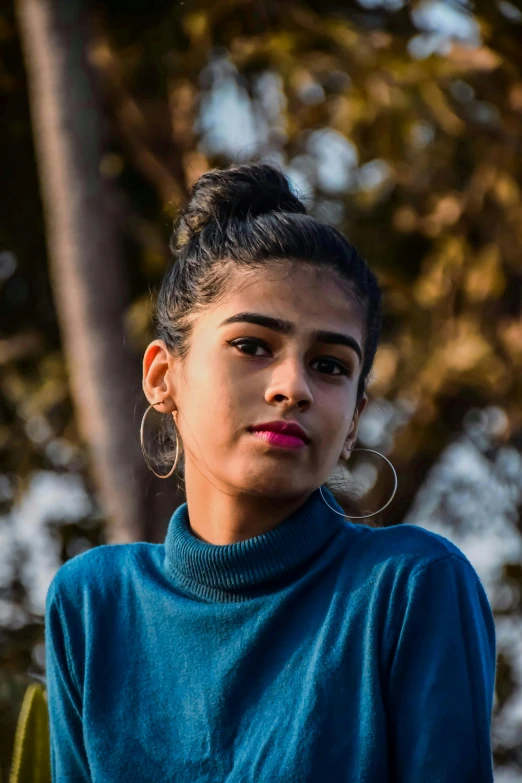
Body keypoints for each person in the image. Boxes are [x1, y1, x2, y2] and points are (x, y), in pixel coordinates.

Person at [45, 161, 497, 782]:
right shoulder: (93, 604)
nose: (293, 388)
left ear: (356, 419)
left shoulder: (410, 587)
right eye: (253, 346)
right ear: (162, 376)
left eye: (332, 365)